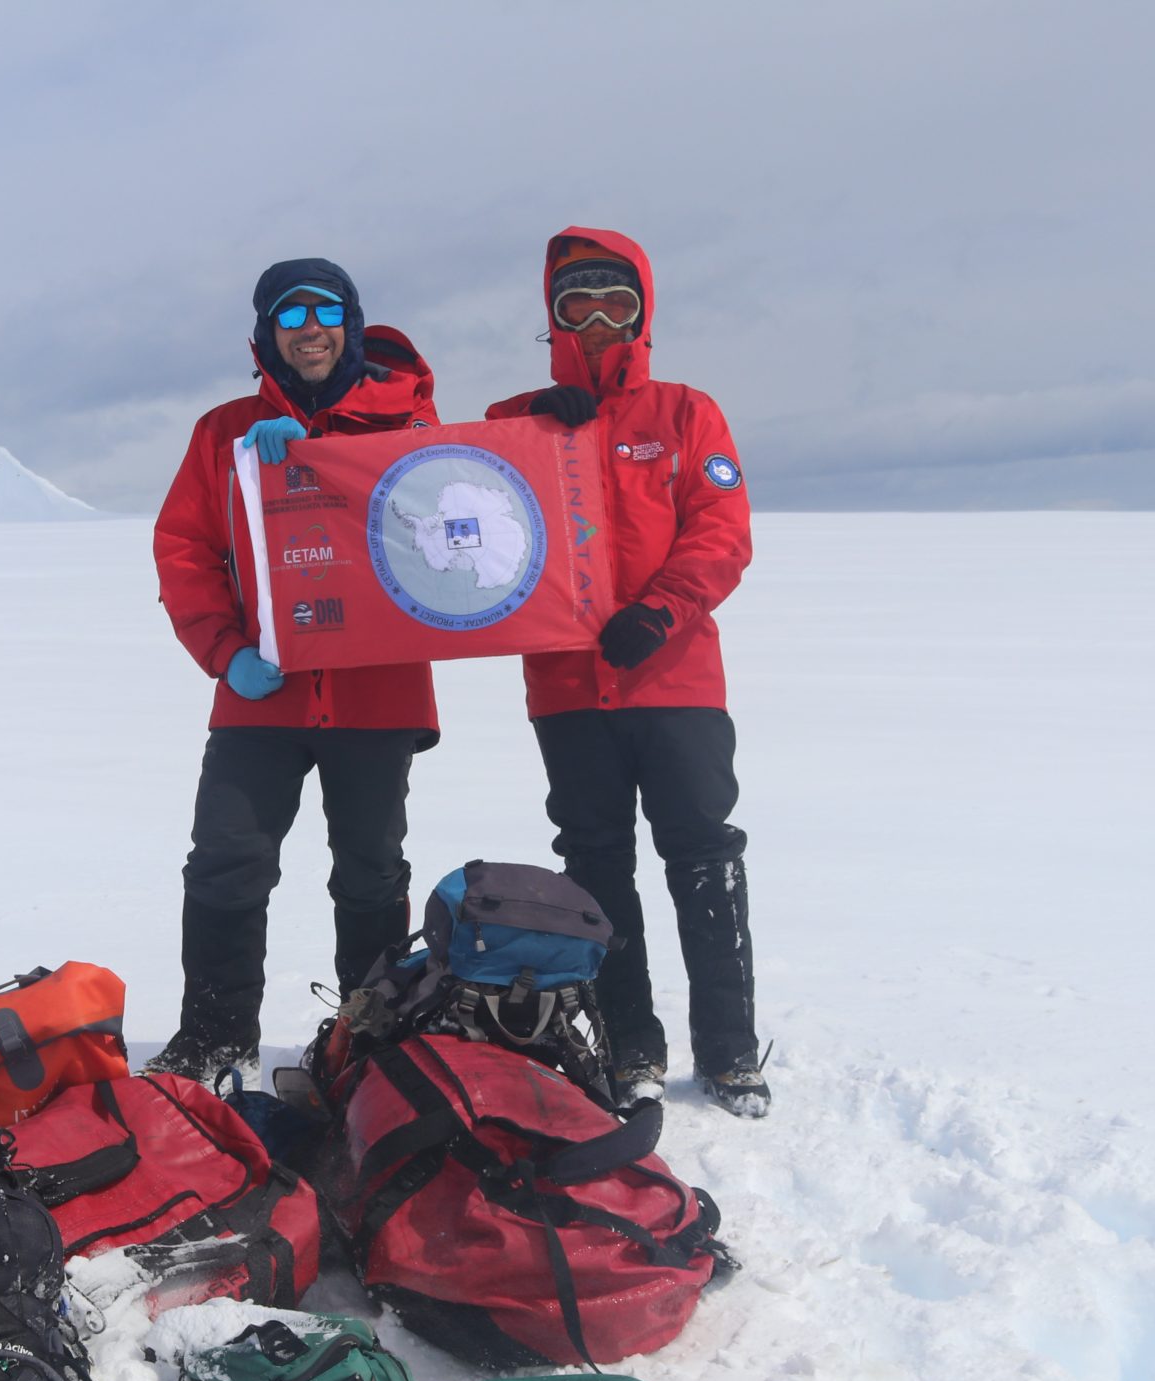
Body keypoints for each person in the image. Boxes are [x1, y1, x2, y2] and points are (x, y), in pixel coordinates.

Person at [485, 227, 768, 1117]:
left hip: (676, 683)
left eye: (618, 301)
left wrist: (662, 611)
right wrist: (535, 438)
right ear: (554, 316)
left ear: (644, 313)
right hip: (568, 692)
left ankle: (728, 1051)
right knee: (596, 864)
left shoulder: (688, 413)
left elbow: (722, 530)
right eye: (580, 302)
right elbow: (458, 527)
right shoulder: (511, 423)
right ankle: (628, 1045)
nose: (600, 319)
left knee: (703, 855)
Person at [147, 259, 440, 1083]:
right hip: (260, 693)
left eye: (324, 310)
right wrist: (225, 651)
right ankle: (215, 1031)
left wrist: (326, 457)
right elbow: (185, 552)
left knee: (371, 870)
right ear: (265, 335)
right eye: (288, 315)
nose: (308, 328)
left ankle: (368, 1036)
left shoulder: (411, 423)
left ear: (349, 320)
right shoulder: (222, 433)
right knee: (226, 860)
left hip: (375, 692)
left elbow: (445, 518)